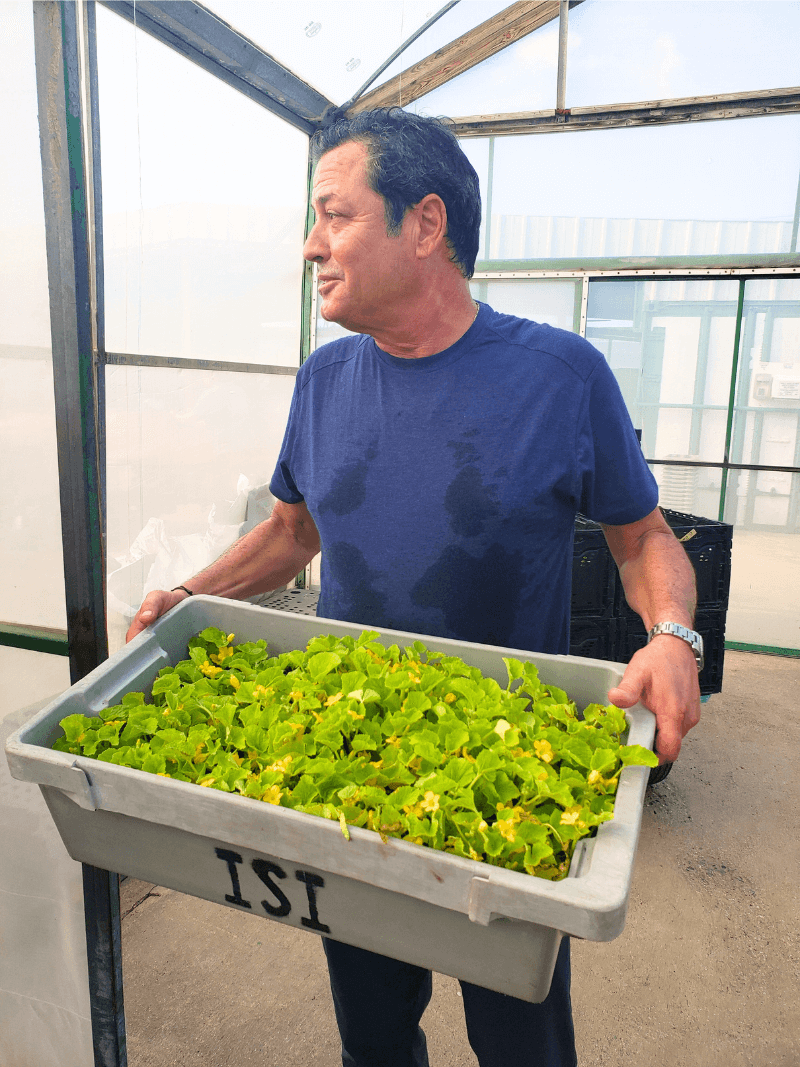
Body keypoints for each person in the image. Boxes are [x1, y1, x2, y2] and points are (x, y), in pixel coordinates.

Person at [128, 108, 701, 1067]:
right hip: (359, 763)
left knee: (521, 1033)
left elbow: (643, 538)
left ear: (424, 225)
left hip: (498, 771)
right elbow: (290, 530)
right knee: (373, 1029)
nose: (312, 243)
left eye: (335, 215)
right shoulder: (324, 378)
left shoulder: (560, 376)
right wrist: (191, 594)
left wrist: (673, 637)